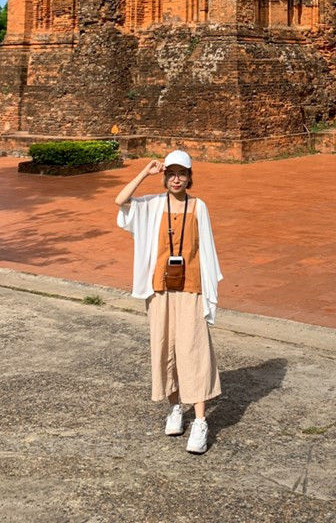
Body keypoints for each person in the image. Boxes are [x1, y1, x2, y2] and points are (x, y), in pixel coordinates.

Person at [115, 150, 222, 454]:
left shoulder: (199, 207)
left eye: (182, 173)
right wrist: (144, 172)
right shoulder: (152, 205)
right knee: (165, 348)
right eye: (171, 173)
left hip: (191, 289)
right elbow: (120, 202)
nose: (176, 179)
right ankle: (175, 407)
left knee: (195, 350)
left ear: (190, 177)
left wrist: (207, 294)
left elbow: (206, 251)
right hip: (159, 289)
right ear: (164, 177)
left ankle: (200, 421)